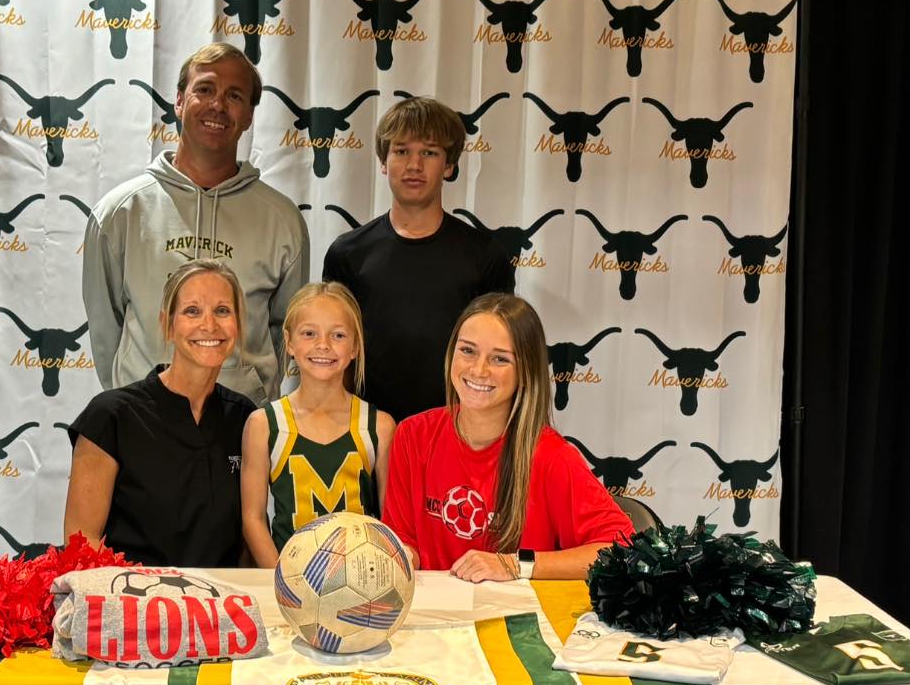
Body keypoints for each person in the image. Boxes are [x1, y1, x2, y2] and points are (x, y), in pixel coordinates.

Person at [82, 43, 308, 403]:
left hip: (243, 426)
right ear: (179, 101)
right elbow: (106, 328)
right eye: (204, 89)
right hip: (144, 422)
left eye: (234, 95)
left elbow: (287, 330)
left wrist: (250, 390)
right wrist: (132, 405)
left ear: (249, 115)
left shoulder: (281, 220)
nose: (217, 104)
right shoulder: (121, 211)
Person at [382, 294, 632, 582]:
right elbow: (403, 540)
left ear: (525, 371)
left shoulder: (550, 455)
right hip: (434, 619)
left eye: (499, 359)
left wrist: (514, 565)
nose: (479, 370)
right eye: (468, 351)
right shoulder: (413, 435)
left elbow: (620, 550)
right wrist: (400, 556)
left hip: (518, 621)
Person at [322, 96, 514, 424]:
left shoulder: (485, 257)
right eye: (401, 151)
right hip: (366, 434)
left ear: (449, 165)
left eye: (429, 152)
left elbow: (498, 359)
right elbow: (333, 353)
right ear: (384, 161)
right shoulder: (347, 254)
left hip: (456, 434)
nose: (414, 165)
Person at [64, 260, 253, 567]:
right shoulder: (110, 416)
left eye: (222, 310)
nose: (209, 324)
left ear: (239, 325)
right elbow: (82, 546)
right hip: (134, 605)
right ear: (167, 325)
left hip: (221, 608)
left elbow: (248, 542)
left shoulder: (246, 418)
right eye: (192, 311)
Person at [241, 282, 395, 566]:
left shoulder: (379, 426)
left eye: (338, 335)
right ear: (289, 342)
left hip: (358, 585)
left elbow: (391, 521)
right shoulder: (264, 424)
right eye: (309, 333)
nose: (323, 345)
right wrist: (282, 582)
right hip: (288, 584)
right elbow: (253, 519)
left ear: (355, 347)